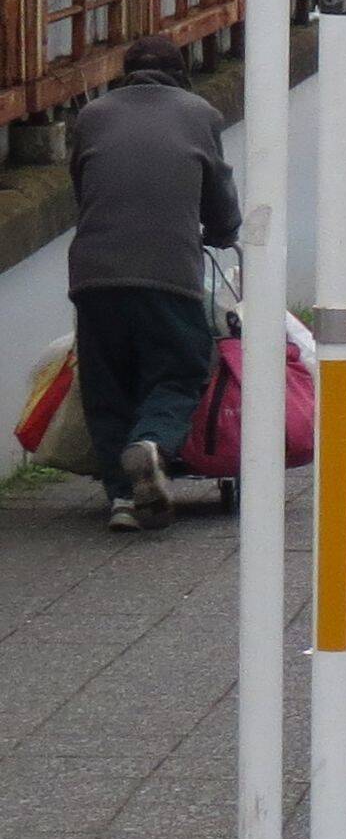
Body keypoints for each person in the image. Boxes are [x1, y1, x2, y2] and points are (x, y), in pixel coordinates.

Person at [65, 37, 242, 532]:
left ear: (125, 75)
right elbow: (219, 195)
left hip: (94, 273)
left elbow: (82, 185)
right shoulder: (200, 114)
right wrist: (224, 232)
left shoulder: (92, 116)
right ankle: (150, 443)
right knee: (182, 367)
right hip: (168, 271)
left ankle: (122, 499)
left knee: (106, 384)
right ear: (180, 74)